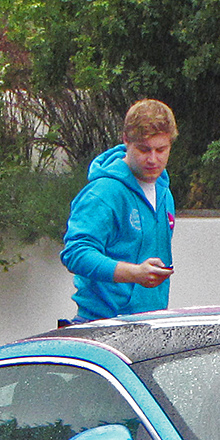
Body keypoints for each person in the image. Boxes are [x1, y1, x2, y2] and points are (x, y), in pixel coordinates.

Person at [61, 100, 178, 322]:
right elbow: (75, 253)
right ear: (126, 140)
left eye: (161, 150)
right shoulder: (104, 192)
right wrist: (134, 273)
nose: (153, 159)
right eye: (144, 149)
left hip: (153, 322)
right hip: (102, 324)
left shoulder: (164, 192)